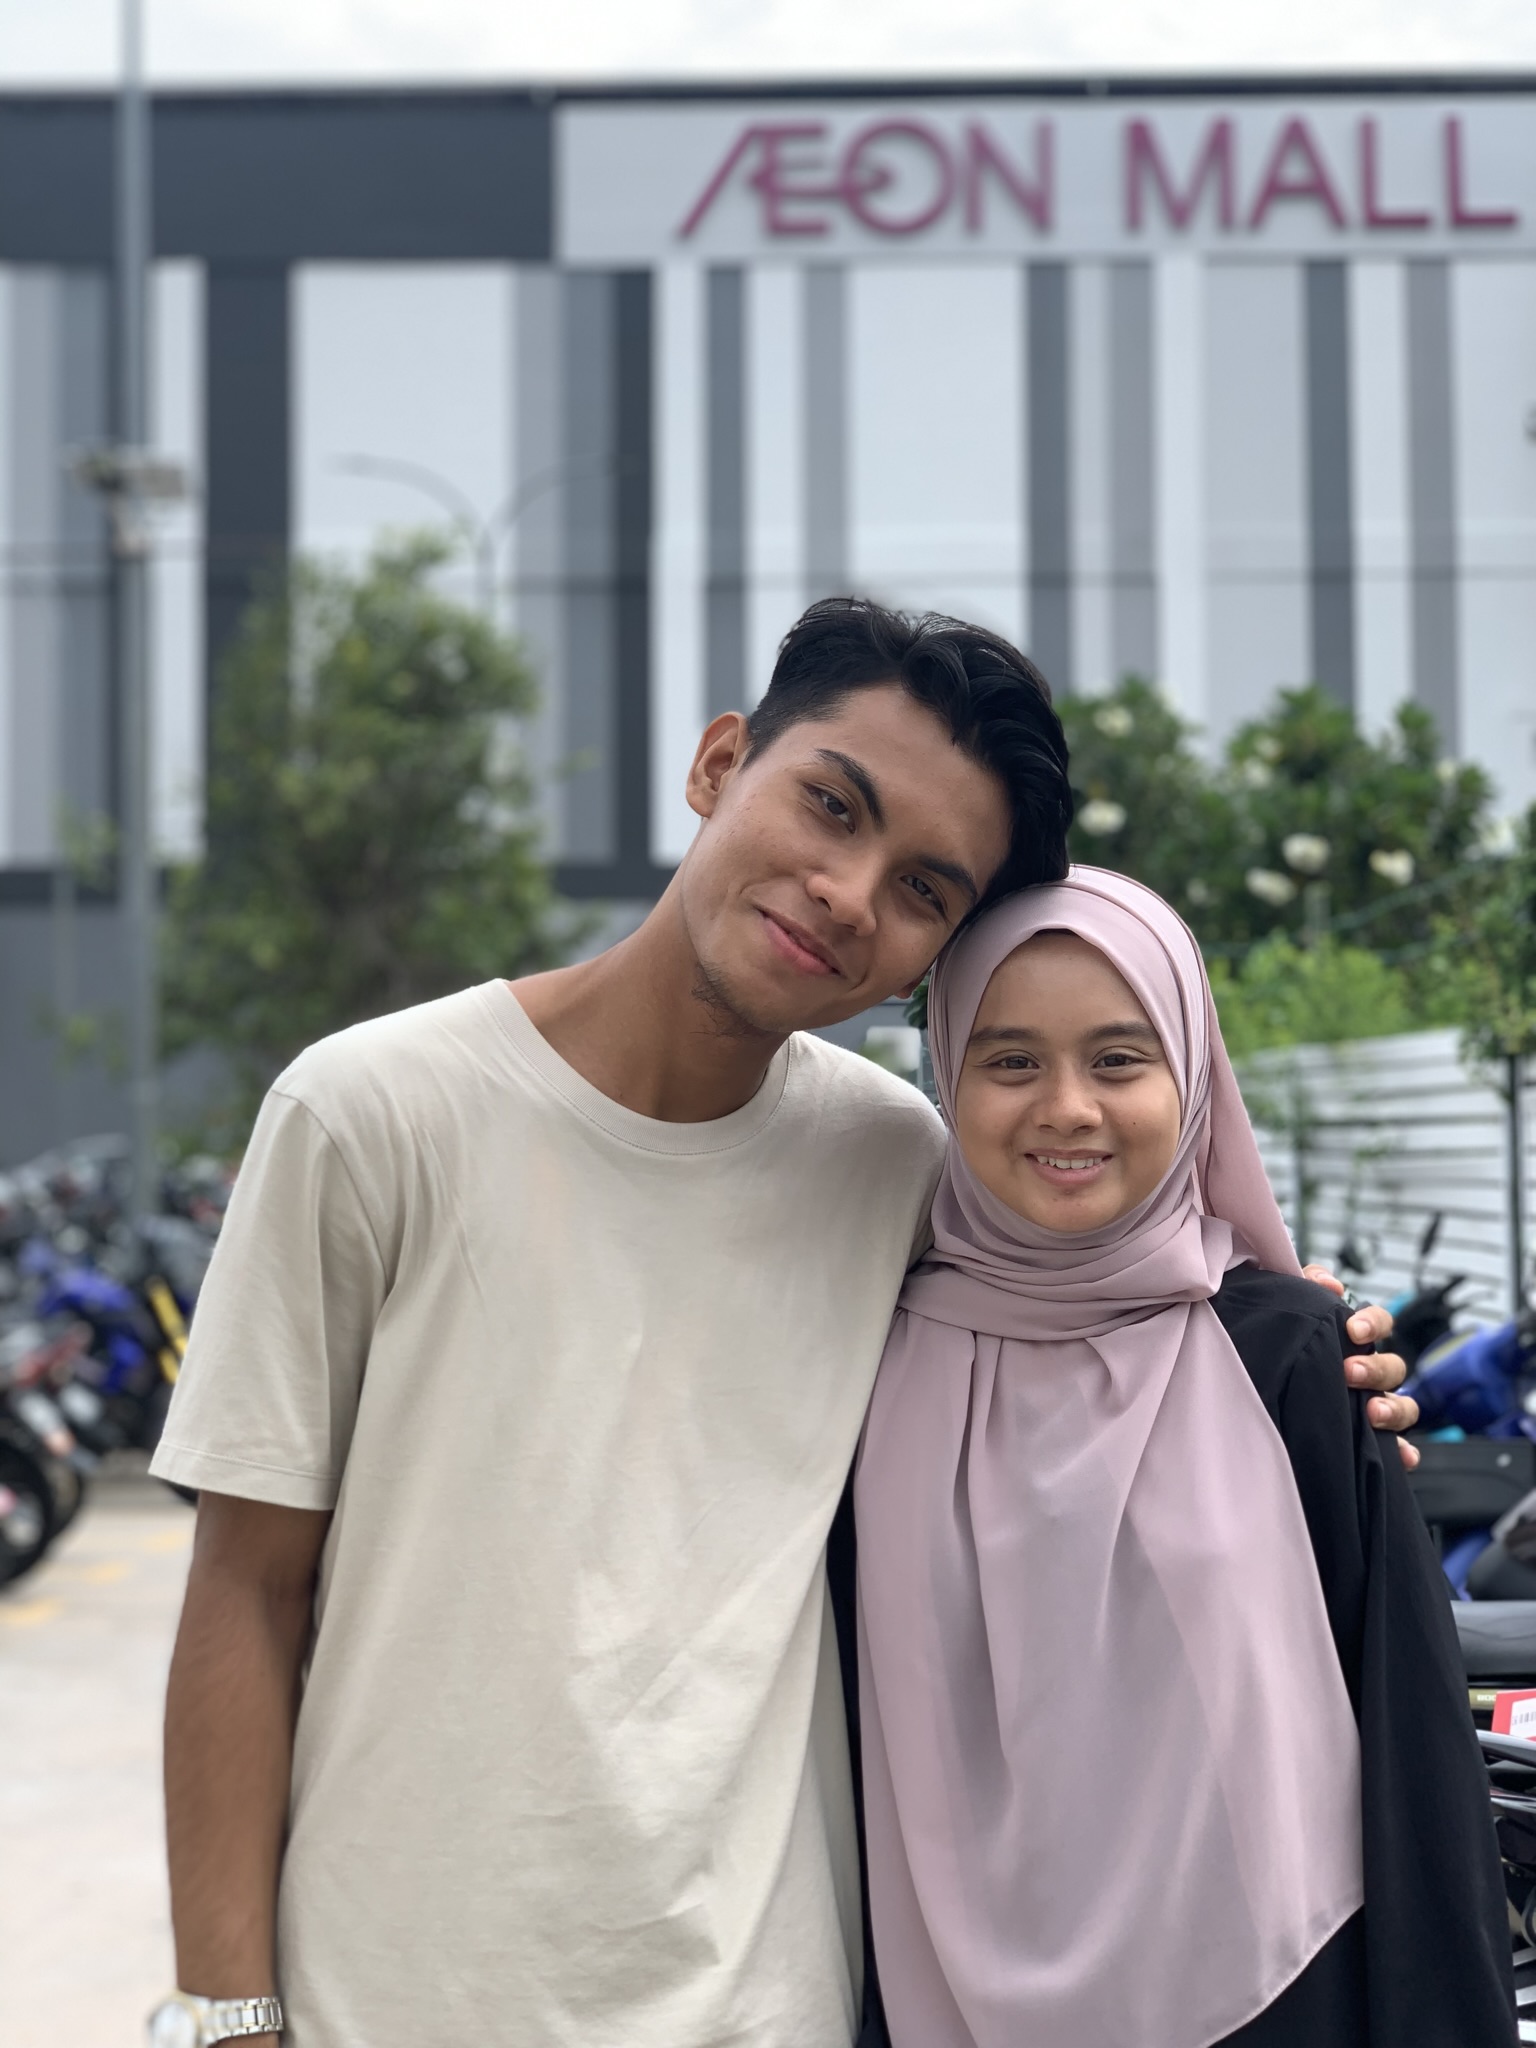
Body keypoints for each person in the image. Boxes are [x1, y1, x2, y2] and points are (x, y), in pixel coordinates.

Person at [147, 602, 1411, 2048]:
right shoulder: (369, 1113)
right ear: (718, 764)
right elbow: (245, 1593)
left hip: (768, 2006)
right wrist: (229, 2013)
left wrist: (1308, 1347)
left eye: (924, 887)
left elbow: (1101, 1317)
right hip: (393, 2001)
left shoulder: (896, 1166)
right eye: (831, 805)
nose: (848, 893)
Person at [853, 868, 1512, 2048]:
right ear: (948, 1072)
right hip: (941, 1994)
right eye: (1011, 1060)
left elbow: (1410, 1741)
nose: (1068, 1107)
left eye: (1119, 1058)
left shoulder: (1289, 1354)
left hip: (1281, 1990)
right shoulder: (865, 1347)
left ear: (1193, 1075)